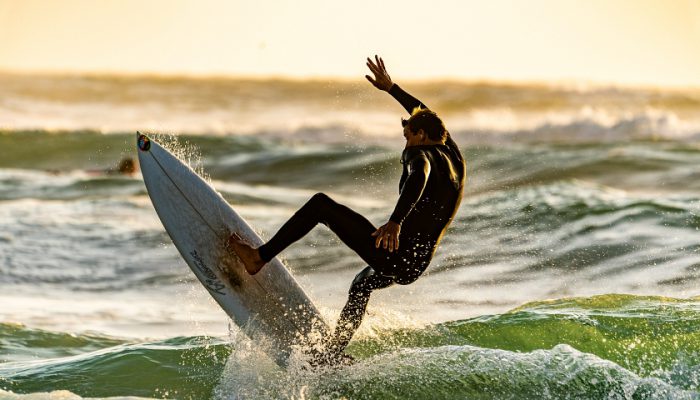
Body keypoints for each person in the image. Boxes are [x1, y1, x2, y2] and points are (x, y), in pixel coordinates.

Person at [230, 55, 466, 364]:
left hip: (396, 253)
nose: (405, 144)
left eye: (408, 136)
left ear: (421, 136)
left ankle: (257, 258)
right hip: (416, 264)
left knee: (320, 206)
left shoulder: (419, 154)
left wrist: (395, 222)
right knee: (361, 285)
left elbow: (418, 178)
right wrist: (391, 88)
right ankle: (332, 354)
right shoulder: (454, 158)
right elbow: (425, 112)